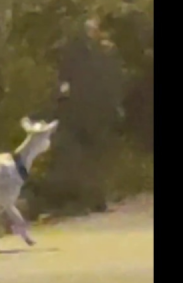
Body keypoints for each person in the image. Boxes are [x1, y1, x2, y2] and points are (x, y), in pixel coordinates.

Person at [41, 16, 125, 215]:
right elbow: (65, 79)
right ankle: (83, 200)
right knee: (81, 156)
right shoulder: (79, 52)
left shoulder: (103, 52)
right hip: (80, 111)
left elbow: (112, 80)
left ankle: (95, 199)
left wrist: (114, 104)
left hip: (95, 111)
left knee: (94, 156)